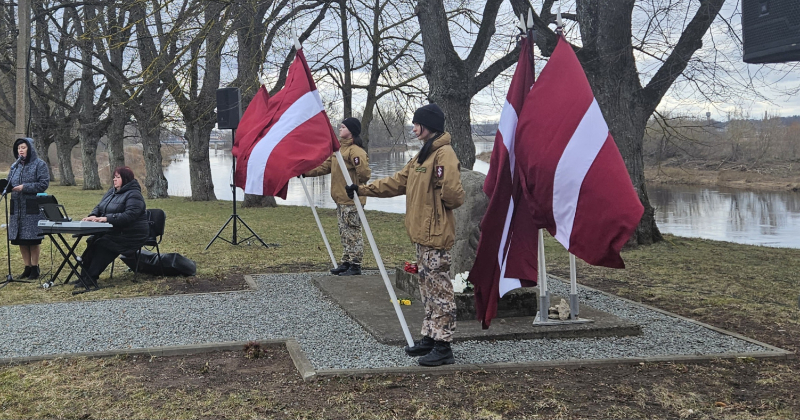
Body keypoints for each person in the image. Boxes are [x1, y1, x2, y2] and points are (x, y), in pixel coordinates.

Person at [346, 104, 464, 366]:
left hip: (436, 234)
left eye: (416, 124)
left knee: (440, 290)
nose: (413, 128)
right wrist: (362, 189)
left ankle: (444, 346)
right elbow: (397, 182)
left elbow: (454, 194)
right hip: (422, 234)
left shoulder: (444, 154)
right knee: (426, 287)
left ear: (428, 126)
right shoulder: (422, 156)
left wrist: (436, 206)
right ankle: (431, 337)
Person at [304, 117, 371, 276]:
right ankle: (346, 261)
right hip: (340, 200)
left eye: (343, 127)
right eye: (340, 127)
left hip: (352, 200)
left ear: (351, 130)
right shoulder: (338, 150)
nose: (340, 129)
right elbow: (324, 167)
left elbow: (365, 174)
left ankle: (356, 264)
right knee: (344, 232)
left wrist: (357, 182)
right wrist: (304, 172)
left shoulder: (355, 151)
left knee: (353, 233)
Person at [78, 166, 148, 287]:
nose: (114, 180)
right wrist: (93, 215)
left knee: (103, 244)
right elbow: (99, 206)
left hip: (131, 234)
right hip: (114, 231)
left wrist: (107, 218)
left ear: (125, 179)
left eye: (118, 177)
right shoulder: (111, 192)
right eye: (114, 177)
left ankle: (91, 278)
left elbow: (129, 216)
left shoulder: (134, 195)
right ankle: (84, 277)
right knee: (92, 241)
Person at [7, 137, 50, 280]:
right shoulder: (15, 166)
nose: (21, 150)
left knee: (32, 239)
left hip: (32, 207)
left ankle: (35, 268)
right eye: (19, 148)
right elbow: (9, 183)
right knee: (21, 239)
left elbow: (43, 184)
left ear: (30, 149)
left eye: (23, 147)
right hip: (17, 208)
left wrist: (24, 187)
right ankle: (27, 267)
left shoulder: (40, 164)